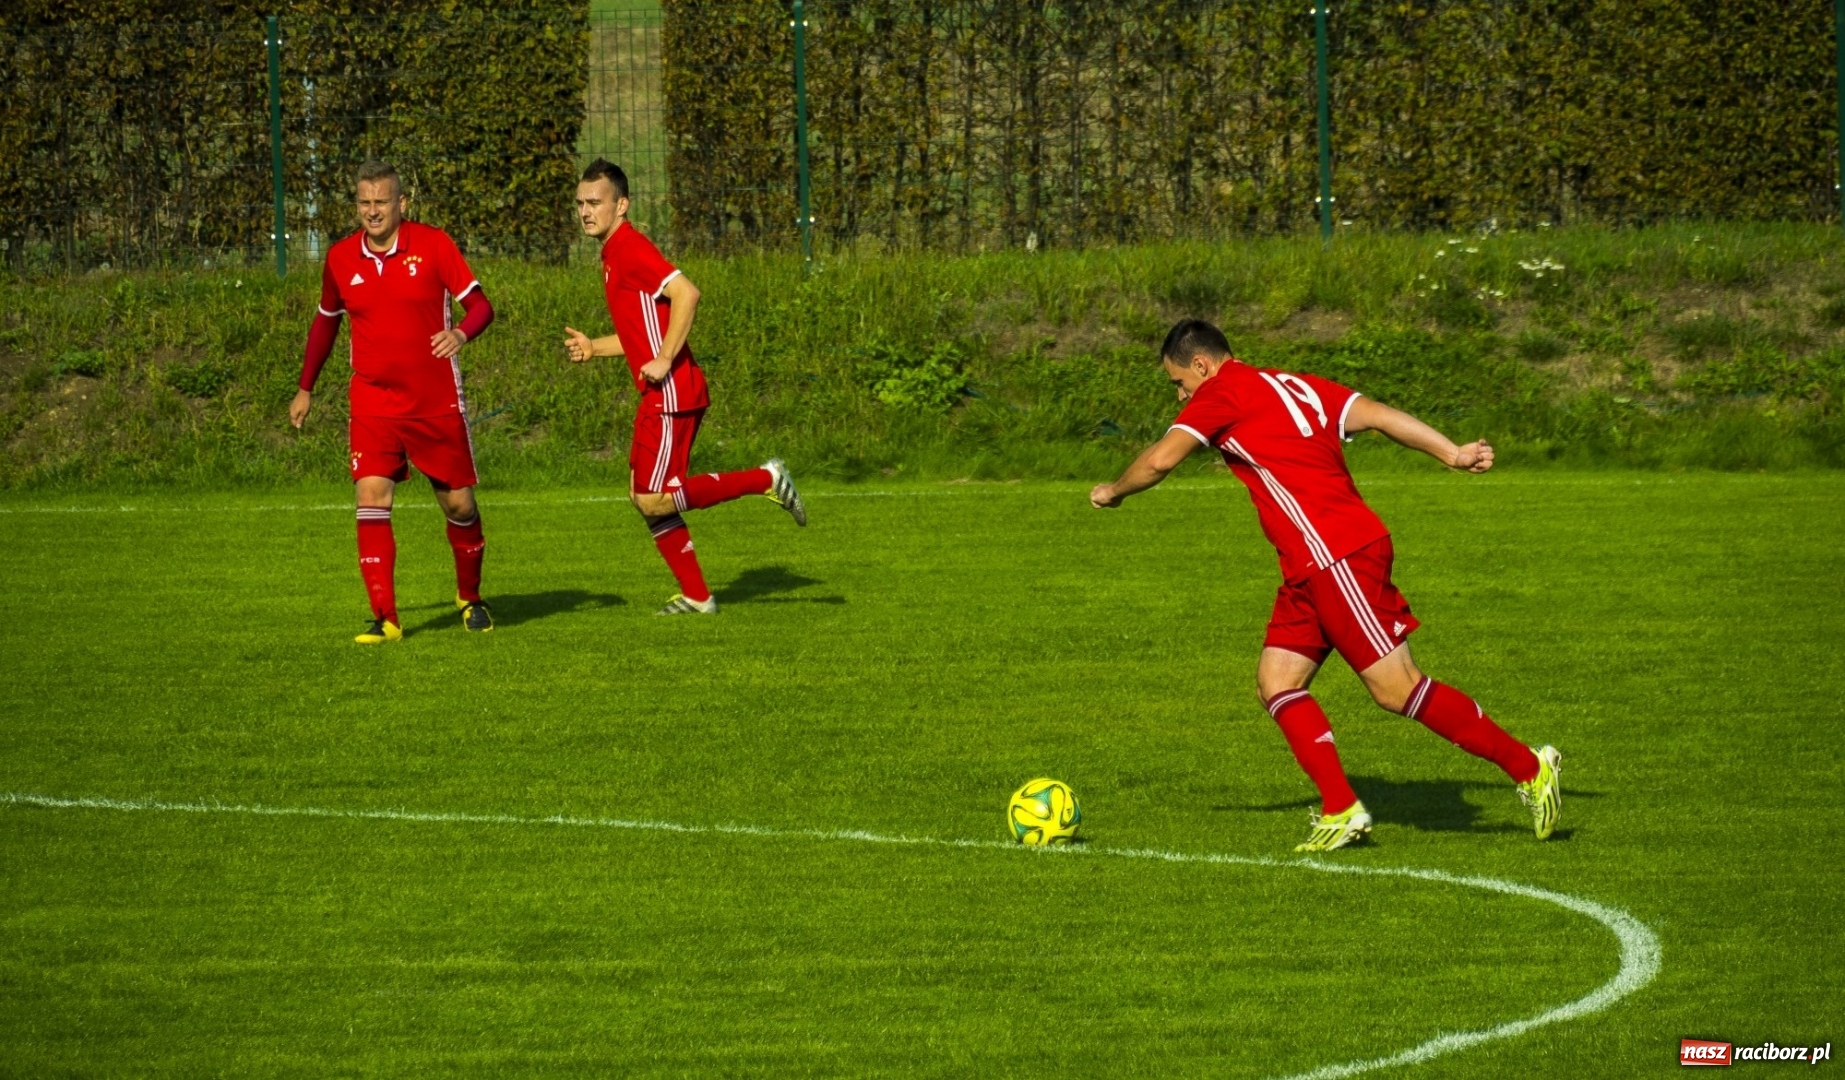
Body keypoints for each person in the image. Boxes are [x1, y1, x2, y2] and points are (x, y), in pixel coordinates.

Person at [1089, 319, 1561, 851]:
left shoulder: (1223, 391)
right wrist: (1450, 452)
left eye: (1178, 382)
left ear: (1202, 365)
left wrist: (1115, 491)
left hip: (1336, 554)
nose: (1179, 394)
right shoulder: (1294, 384)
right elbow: (1379, 415)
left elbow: (1159, 459)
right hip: (1310, 563)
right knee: (1277, 680)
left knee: (1396, 687)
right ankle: (1341, 808)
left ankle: (1530, 768)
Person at [564, 158, 806, 615]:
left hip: (673, 392)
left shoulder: (631, 247)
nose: (585, 211)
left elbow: (687, 294)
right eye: (580, 203)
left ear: (622, 205)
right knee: (642, 496)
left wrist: (665, 358)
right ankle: (698, 597)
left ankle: (767, 478)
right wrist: (595, 347)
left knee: (656, 496)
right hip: (658, 391)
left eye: (595, 202)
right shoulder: (612, 254)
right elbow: (641, 335)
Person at [291, 160, 496, 643]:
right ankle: (386, 618)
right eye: (364, 202)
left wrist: (461, 334)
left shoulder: (434, 245)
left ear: (402, 204)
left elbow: (482, 306)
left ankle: (470, 597)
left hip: (434, 400)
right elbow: (325, 323)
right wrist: (305, 388)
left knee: (460, 505)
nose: (372, 211)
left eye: (381, 201)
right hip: (373, 402)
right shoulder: (341, 258)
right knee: (371, 496)